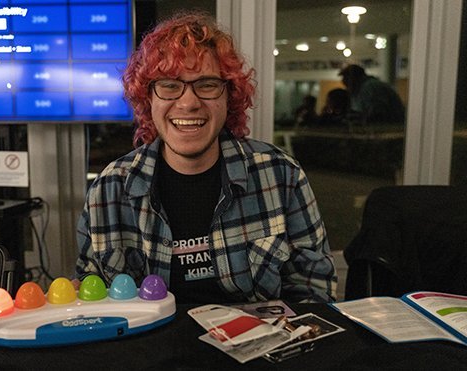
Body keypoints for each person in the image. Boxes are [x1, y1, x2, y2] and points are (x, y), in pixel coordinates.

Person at [73, 12, 337, 304]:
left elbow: (315, 294)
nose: (188, 103)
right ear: (148, 99)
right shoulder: (108, 191)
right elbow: (95, 303)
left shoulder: (281, 176)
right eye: (170, 85)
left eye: (207, 84)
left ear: (229, 96)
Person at [338, 64, 405, 125]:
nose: (343, 81)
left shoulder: (370, 87)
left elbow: (378, 115)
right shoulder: (361, 89)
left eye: (346, 77)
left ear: (354, 77)